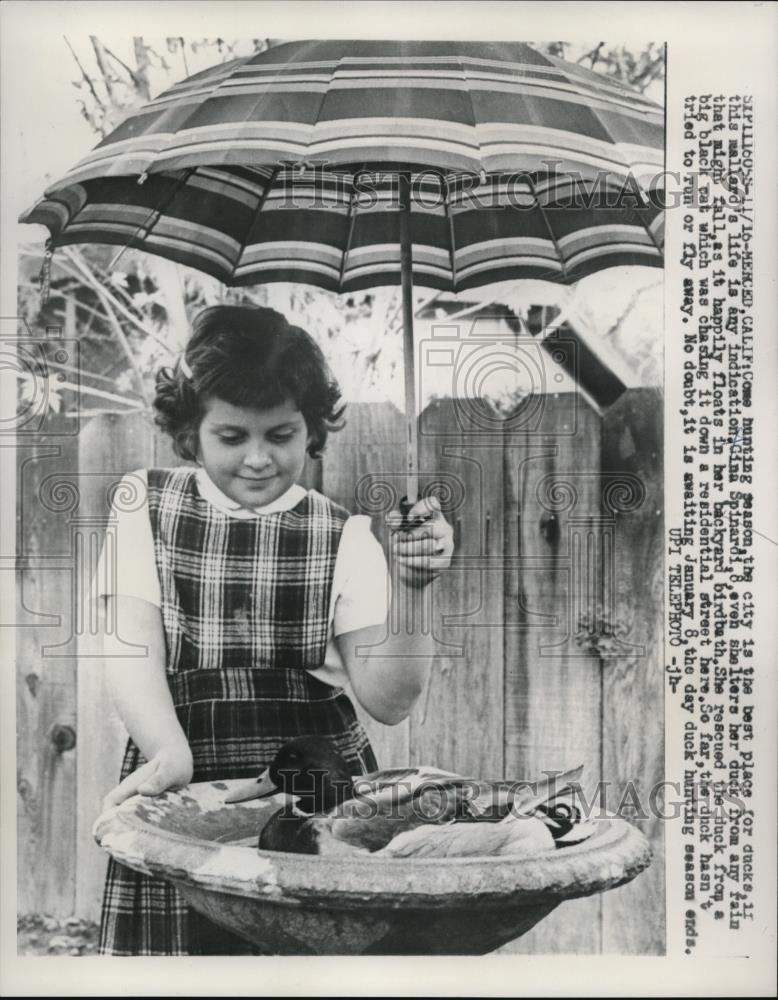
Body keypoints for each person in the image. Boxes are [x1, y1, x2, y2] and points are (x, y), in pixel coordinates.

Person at [94, 304, 454, 955]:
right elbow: (130, 643)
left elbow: (390, 699)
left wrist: (414, 589)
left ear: (311, 429)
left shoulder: (343, 535)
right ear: (191, 432)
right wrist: (168, 754)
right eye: (233, 437)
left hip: (315, 799)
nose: (259, 459)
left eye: (281, 435)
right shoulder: (143, 505)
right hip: (189, 776)